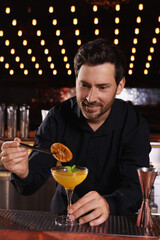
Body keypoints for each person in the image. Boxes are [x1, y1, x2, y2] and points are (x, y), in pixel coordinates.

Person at [0, 38, 151, 227]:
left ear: (120, 86)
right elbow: (32, 180)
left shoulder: (133, 124)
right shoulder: (58, 116)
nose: (90, 98)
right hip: (64, 217)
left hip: (115, 219)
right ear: (76, 80)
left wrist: (109, 203)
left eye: (102, 87)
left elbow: (135, 187)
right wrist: (23, 171)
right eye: (84, 85)